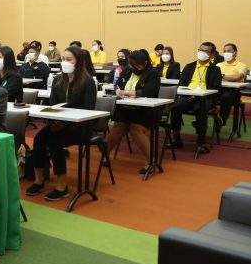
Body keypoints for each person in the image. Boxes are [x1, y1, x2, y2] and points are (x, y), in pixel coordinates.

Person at [25, 46, 97, 201]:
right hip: (58, 124)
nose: (65, 62)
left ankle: (61, 186)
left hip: (80, 127)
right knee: (39, 138)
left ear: (79, 62)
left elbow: (88, 109)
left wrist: (64, 123)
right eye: (63, 59)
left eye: (69, 59)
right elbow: (52, 105)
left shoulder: (88, 82)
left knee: (54, 141)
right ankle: (39, 180)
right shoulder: (58, 80)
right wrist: (55, 121)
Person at [104, 50, 161, 173]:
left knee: (135, 129)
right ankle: (105, 155)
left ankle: (151, 161)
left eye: (137, 66)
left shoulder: (153, 74)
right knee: (118, 127)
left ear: (145, 63)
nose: (134, 68)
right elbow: (118, 85)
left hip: (146, 110)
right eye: (132, 65)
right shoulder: (128, 71)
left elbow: (148, 92)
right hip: (126, 108)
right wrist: (117, 90)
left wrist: (125, 92)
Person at [170, 42, 223, 148]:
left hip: (205, 98)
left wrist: (200, 95)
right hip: (188, 96)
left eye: (206, 51)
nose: (202, 53)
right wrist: (188, 95)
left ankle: (200, 141)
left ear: (212, 55)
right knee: (175, 107)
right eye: (201, 50)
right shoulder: (189, 66)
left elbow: (216, 88)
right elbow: (181, 84)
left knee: (199, 109)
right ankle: (177, 139)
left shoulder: (215, 69)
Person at [217, 43, 248, 126]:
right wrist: (228, 77)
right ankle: (203, 121)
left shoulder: (242, 65)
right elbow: (214, 77)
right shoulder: (219, 65)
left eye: (228, 51)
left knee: (225, 97)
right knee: (207, 96)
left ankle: (221, 120)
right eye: (224, 51)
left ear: (235, 52)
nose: (226, 53)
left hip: (234, 92)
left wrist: (221, 75)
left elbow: (236, 77)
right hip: (220, 90)